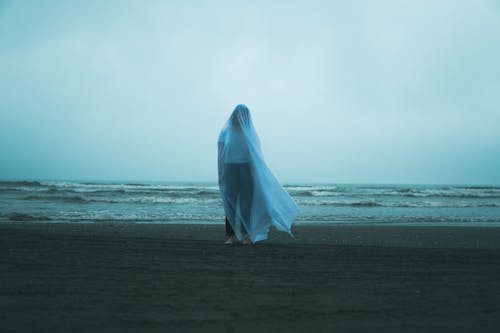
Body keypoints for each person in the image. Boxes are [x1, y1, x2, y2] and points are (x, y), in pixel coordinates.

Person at [217, 104, 299, 244]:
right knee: (230, 203)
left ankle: (246, 235)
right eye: (238, 114)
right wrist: (221, 174)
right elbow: (220, 155)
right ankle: (231, 236)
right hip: (230, 170)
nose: (240, 117)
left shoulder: (251, 133)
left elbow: (256, 156)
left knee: (246, 204)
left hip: (247, 169)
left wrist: (258, 176)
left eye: (243, 114)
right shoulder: (226, 132)